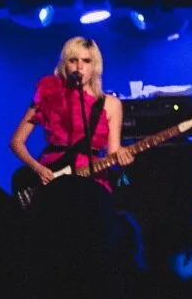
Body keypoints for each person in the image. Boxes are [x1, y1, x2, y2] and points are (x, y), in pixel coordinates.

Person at [11, 36, 132, 193]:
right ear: (64, 64)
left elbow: (113, 153)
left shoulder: (111, 104)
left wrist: (123, 159)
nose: (79, 67)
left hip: (92, 181)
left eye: (86, 61)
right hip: (52, 179)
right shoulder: (47, 94)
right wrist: (38, 169)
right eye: (73, 60)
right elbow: (16, 141)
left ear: (95, 65)